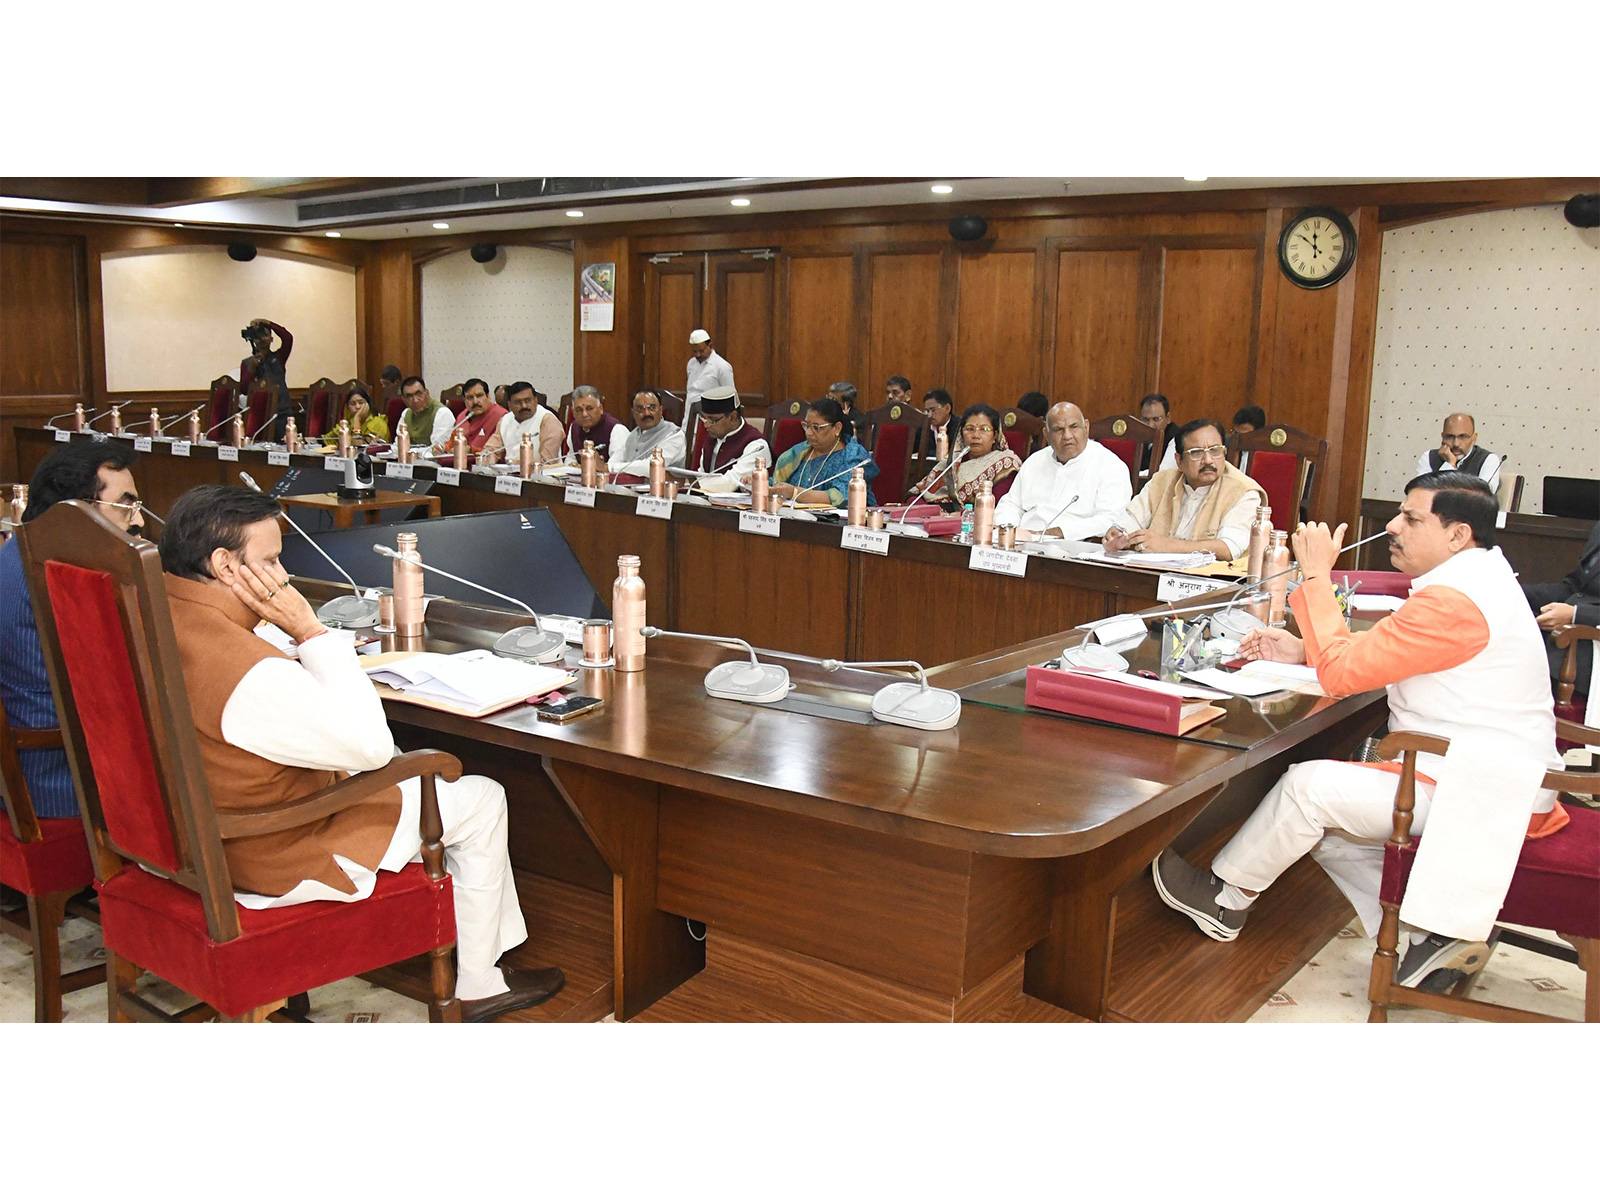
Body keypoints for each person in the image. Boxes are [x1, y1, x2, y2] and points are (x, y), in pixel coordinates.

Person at [156, 485, 564, 1020]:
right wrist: (310, 631)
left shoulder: (157, 611)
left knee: (395, 759)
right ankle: (479, 982)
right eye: (271, 561)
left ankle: (453, 943)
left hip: (187, 834)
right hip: (273, 850)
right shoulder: (246, 670)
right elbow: (370, 749)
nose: (283, 576)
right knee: (480, 796)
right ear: (225, 566)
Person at [1151, 474, 1567, 992]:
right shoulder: (1479, 579)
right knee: (1325, 829)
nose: (1392, 526)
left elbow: (1345, 675)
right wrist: (1306, 650)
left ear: (1458, 535)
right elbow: (1397, 651)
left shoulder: (1455, 599)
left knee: (1306, 791)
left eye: (1411, 519)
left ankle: (1224, 900)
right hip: (1488, 771)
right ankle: (1425, 938)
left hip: (1482, 786)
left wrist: (1316, 576)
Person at [1, 440, 143, 820]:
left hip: (20, 776)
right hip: (62, 784)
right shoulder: (65, 580)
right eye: (126, 506)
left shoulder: (14, 555)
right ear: (77, 513)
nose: (138, 521)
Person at [1103, 418, 1265, 560]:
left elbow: (1229, 548)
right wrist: (1118, 535)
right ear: (1179, 461)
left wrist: (1166, 545)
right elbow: (1130, 521)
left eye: (1215, 451)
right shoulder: (1161, 481)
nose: (1208, 460)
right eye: (1196, 453)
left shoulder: (1243, 490)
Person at [993, 402, 1133, 538]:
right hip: (1023, 541)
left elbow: (1110, 520)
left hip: (1074, 544)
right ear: (1046, 434)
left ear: (1086, 427)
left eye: (1074, 427)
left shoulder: (1111, 465)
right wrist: (1007, 529)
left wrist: (1059, 532)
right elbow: (1011, 504)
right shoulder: (1035, 461)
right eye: (1058, 429)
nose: (1067, 436)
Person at [1522, 517, 1600, 692]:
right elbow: (1573, 587)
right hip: (1562, 645)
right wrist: (1515, 590)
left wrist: (1575, 614)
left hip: (1585, 653)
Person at [909, 403, 1022, 508]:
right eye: (970, 429)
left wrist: (959, 514)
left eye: (984, 429)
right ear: (961, 434)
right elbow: (915, 496)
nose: (976, 435)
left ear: (995, 436)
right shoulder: (951, 464)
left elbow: (997, 508)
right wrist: (929, 511)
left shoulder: (1004, 464)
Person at [768, 398, 878, 506]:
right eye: (806, 426)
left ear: (837, 428)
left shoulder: (853, 456)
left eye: (816, 427)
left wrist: (794, 493)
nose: (808, 433)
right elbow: (776, 483)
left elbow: (842, 496)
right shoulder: (798, 452)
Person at [694, 386, 770, 478]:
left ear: (733, 417)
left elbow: (732, 482)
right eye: (704, 419)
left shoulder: (757, 446)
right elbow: (701, 475)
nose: (706, 425)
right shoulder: (713, 438)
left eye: (712, 420)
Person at [482, 381, 564, 466]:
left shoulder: (548, 420)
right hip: (509, 472)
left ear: (535, 400)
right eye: (518, 402)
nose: (524, 406)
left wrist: (512, 463)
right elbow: (491, 450)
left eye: (528, 400)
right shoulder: (505, 420)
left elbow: (548, 461)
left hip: (542, 473)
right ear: (509, 405)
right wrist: (484, 459)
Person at [612, 387, 687, 478]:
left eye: (652, 408)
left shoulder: (674, 435)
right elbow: (615, 460)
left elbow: (651, 467)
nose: (647, 413)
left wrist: (611, 468)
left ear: (661, 410)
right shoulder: (632, 436)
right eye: (640, 409)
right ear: (633, 413)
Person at [1417, 412, 1501, 492]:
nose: (1456, 444)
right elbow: (1420, 492)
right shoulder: (1428, 457)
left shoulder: (1488, 459)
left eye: (1463, 437)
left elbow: (1483, 495)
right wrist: (1450, 464)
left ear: (1474, 438)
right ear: (1443, 437)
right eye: (1450, 437)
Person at [240, 317, 293, 442]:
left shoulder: (279, 357)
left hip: (282, 414)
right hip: (259, 416)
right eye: (258, 336)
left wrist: (267, 323)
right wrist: (252, 367)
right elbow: (244, 389)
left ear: (271, 339)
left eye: (265, 335)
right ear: (253, 340)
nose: (262, 339)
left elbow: (288, 338)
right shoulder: (248, 363)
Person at [433, 378, 506, 455]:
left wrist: (472, 450)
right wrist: (442, 448)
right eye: (470, 398)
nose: (475, 401)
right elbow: (451, 444)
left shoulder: (501, 416)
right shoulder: (462, 417)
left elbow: (502, 450)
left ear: (488, 397)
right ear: (464, 401)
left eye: (479, 396)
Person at [683, 329, 736, 433]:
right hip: (689, 420)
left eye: (701, 351)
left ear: (710, 346)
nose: (698, 355)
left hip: (710, 422)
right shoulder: (691, 364)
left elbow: (730, 397)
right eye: (694, 352)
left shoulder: (722, 366)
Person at [564, 385, 627, 462]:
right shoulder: (574, 427)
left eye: (589, 409)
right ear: (573, 412)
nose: (584, 414)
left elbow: (617, 464)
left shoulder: (616, 429)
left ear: (600, 408)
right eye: (579, 410)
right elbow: (571, 458)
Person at [399, 376, 454, 448]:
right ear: (404, 400)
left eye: (419, 394)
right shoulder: (406, 413)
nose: (415, 400)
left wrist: (412, 452)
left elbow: (437, 448)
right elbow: (398, 444)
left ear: (427, 393)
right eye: (409, 396)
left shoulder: (442, 413)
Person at [1140, 393, 1178, 474]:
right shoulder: (1138, 435)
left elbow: (1163, 472)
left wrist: (1129, 474)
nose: (1151, 425)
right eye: (1146, 420)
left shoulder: (1176, 437)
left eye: (1156, 419)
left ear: (1168, 418)